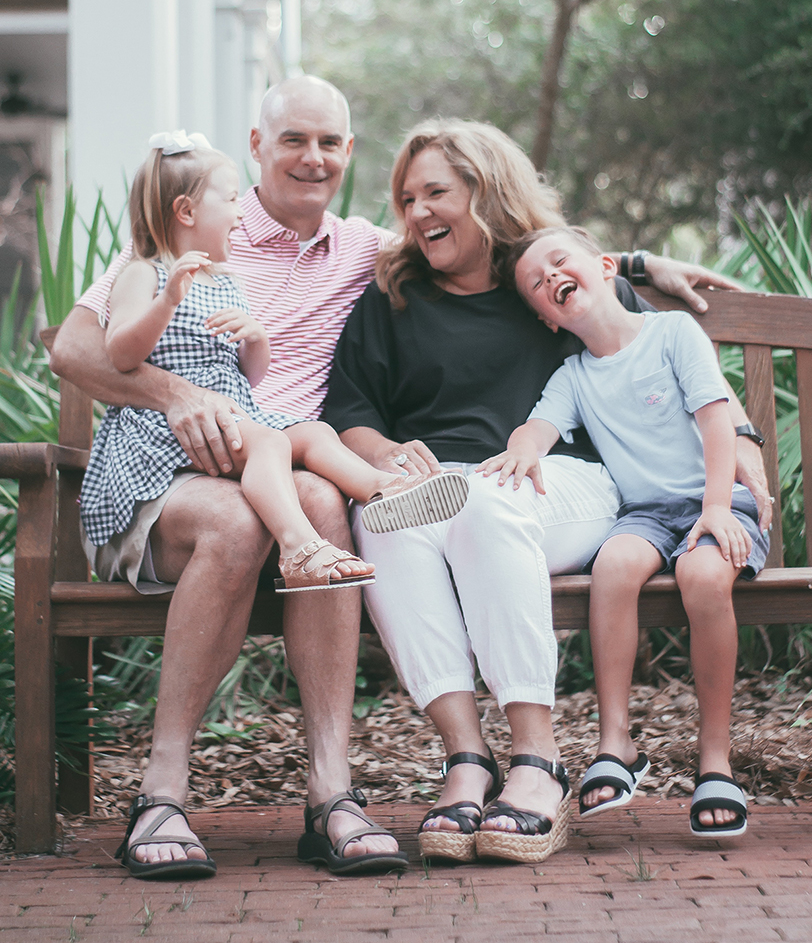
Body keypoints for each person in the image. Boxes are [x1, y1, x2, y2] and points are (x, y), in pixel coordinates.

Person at [322, 119, 772, 865]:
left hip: (559, 482)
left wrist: (744, 436)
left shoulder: (542, 285)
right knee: (384, 519)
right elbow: (351, 411)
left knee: (484, 500)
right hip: (435, 483)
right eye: (407, 198)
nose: (418, 212)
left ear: (486, 192)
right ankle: (467, 758)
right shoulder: (392, 297)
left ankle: (538, 761)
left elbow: (653, 348)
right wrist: (390, 455)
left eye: (438, 191)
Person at [51, 78, 409, 878]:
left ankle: (330, 792)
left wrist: (634, 264)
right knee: (239, 520)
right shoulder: (192, 229)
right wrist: (177, 396)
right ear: (257, 146)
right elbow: (75, 350)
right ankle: (163, 791)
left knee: (318, 500)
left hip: (281, 465)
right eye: (293, 140)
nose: (311, 158)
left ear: (348, 153)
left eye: (328, 143)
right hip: (167, 480)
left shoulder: (360, 247)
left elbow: (501, 243)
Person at [82, 132, 466, 603]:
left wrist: (256, 339)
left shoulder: (223, 279)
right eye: (229, 200)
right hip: (167, 431)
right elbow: (120, 354)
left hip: (233, 414)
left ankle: (382, 490)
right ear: (186, 212)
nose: (240, 212)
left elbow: (250, 378)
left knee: (313, 433)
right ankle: (298, 545)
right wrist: (166, 301)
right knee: (269, 443)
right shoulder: (146, 272)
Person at [483, 225, 771, 838]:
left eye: (560, 262)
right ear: (547, 319)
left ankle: (715, 759)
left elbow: (717, 423)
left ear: (605, 266)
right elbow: (538, 428)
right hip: (644, 515)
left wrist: (716, 508)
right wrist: (520, 450)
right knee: (611, 566)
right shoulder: (574, 375)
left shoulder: (672, 333)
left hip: (717, 502)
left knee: (700, 574)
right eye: (536, 283)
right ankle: (617, 743)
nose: (550, 278)